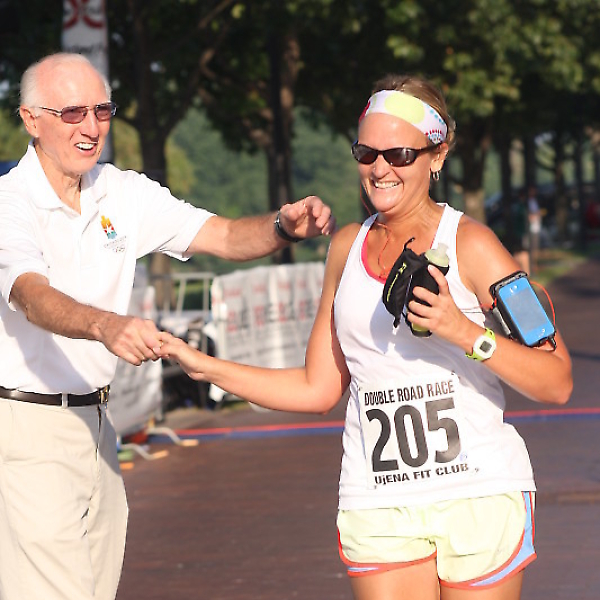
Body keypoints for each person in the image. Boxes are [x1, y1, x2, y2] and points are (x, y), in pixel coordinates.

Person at [156, 74, 573, 600]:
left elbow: (556, 381)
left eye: (399, 154)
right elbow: (317, 389)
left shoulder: (473, 244)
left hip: (478, 492)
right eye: (366, 153)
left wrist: (463, 331)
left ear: (437, 156)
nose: (380, 168)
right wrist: (206, 367)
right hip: (378, 501)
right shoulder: (346, 248)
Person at [0, 52, 335, 600]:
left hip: (98, 424)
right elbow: (29, 296)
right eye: (73, 113)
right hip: (27, 427)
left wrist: (282, 226)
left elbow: (223, 235)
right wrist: (106, 326)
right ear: (31, 120)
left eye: (102, 111)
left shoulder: (122, 191)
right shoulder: (9, 203)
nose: (91, 128)